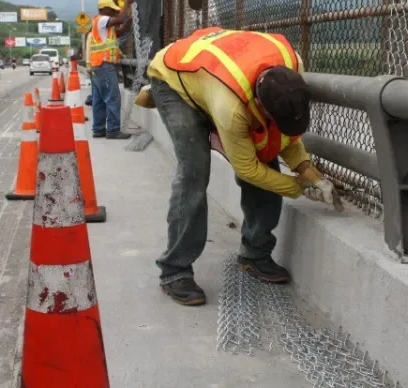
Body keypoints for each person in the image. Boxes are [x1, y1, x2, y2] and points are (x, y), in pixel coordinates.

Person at [142, 27, 343, 306]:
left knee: (267, 158)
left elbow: (283, 138)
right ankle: (174, 270)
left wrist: (311, 173)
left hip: (213, 75)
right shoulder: (232, 108)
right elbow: (248, 169)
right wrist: (300, 188)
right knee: (194, 173)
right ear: (259, 104)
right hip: (175, 79)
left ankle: (255, 254)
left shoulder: (292, 69)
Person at [87, 0, 135, 139]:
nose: (114, 13)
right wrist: (127, 4)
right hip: (104, 65)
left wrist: (128, 24)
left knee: (99, 99)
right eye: (112, 10)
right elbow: (119, 20)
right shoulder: (101, 20)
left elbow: (117, 32)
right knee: (112, 97)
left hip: (97, 66)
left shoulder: (102, 26)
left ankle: (99, 129)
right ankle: (113, 130)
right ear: (105, 9)